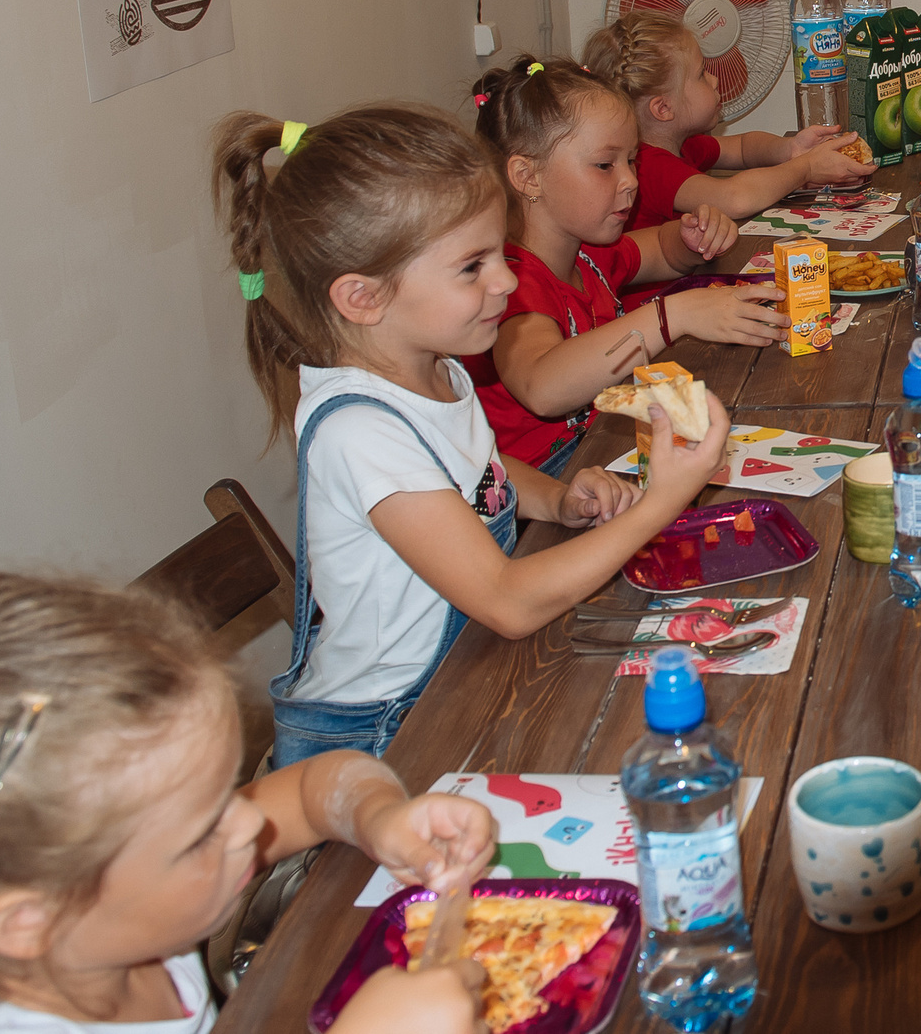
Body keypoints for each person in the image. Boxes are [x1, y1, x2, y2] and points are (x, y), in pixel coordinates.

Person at [0, 506, 498, 1034]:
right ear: (26, 922)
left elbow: (317, 791)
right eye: (201, 832)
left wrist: (381, 817)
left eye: (224, 794)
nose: (250, 820)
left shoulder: (104, 910)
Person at [211, 104, 731, 763]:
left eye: (501, 255)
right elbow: (508, 601)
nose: (508, 281)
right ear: (363, 297)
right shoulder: (360, 430)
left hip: (463, 675)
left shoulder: (435, 368)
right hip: (384, 738)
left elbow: (476, 466)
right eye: (473, 266)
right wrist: (664, 499)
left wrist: (555, 497)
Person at [467, 59, 775, 474]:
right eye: (605, 165)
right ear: (527, 177)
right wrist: (673, 316)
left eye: (631, 161)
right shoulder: (509, 281)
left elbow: (662, 251)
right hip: (550, 484)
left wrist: (692, 236)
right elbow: (541, 386)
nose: (629, 180)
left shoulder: (588, 252)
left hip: (602, 445)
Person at [582, 9, 874, 231]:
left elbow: (745, 147)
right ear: (663, 109)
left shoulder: (683, 144)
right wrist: (807, 167)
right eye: (700, 74)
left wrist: (790, 149)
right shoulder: (649, 167)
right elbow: (735, 197)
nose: (714, 78)